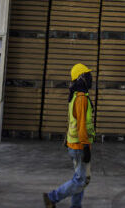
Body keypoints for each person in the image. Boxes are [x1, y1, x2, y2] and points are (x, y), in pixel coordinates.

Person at [43, 64, 95, 208]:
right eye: (88, 75)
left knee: (80, 178)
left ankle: (76, 206)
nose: (91, 79)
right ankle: (52, 197)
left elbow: (72, 121)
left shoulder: (76, 96)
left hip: (75, 144)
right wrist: (85, 146)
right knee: (81, 180)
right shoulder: (81, 98)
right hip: (79, 145)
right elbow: (81, 124)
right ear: (81, 78)